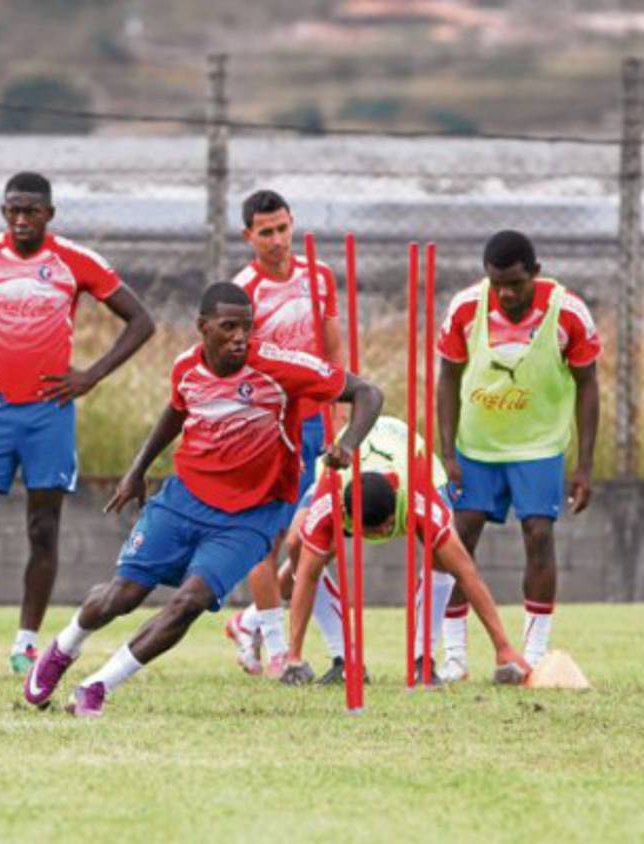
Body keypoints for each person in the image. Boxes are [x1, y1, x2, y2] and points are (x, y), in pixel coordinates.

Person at [22, 283, 383, 717]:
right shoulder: (185, 369)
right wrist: (137, 470)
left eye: (247, 328)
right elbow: (176, 412)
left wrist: (348, 442)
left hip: (250, 515)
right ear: (203, 328)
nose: (239, 338)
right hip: (183, 498)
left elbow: (368, 392)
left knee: (189, 602)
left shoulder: (278, 366)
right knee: (123, 595)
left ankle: (98, 686)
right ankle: (64, 648)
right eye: (228, 328)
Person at [0, 171, 155, 674]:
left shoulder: (74, 262)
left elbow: (142, 320)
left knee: (42, 528)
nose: (21, 219)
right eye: (12, 210)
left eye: (31, 211)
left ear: (49, 215)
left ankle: (24, 645)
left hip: (49, 415)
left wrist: (91, 376)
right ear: (3, 213)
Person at [436, 230, 600, 678]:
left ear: (536, 274)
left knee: (539, 536)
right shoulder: (466, 309)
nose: (505, 293)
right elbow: (448, 378)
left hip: (539, 447)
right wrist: (446, 452)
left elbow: (588, 386)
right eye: (497, 283)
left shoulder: (568, 314)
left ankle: (533, 656)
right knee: (456, 541)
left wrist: (584, 465)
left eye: (515, 283)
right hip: (477, 446)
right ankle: (453, 656)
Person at [277, 415, 531, 686]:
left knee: (444, 558)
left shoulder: (418, 500)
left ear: (394, 516)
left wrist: (503, 648)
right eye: (365, 532)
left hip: (414, 465)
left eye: (383, 530)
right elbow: (307, 576)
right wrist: (294, 657)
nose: (377, 539)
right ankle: (344, 660)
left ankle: (423, 660)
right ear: (346, 515)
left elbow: (467, 573)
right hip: (345, 468)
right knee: (297, 545)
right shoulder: (331, 499)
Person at [224, 189, 346, 678]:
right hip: (265, 427)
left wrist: (340, 413)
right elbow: (231, 365)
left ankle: (249, 622)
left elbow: (333, 351)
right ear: (248, 235)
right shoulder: (243, 289)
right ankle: (277, 648)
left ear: (293, 224)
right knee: (266, 538)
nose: (276, 240)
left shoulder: (318, 276)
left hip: (315, 422)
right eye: (265, 232)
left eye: (282, 228)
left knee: (312, 537)